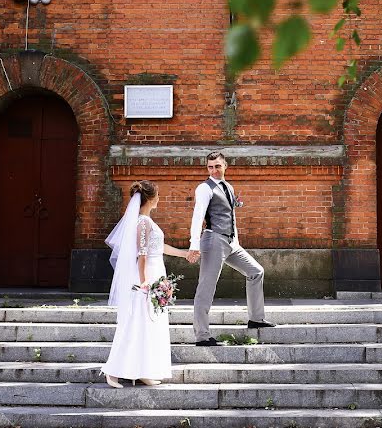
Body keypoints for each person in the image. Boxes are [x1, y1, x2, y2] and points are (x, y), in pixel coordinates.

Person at [101, 180, 190, 387]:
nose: (159, 198)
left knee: (148, 324)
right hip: (147, 277)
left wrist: (184, 254)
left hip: (155, 273)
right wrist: (144, 283)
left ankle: (142, 370)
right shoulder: (143, 222)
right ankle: (112, 371)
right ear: (149, 198)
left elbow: (159, 247)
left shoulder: (148, 222)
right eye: (157, 195)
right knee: (135, 323)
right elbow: (142, 254)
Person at [187, 151, 275, 346]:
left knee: (256, 271)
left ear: (225, 165)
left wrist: (235, 241)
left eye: (217, 166)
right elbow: (197, 216)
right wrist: (194, 245)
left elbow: (230, 215)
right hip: (213, 240)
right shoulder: (204, 188)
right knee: (206, 287)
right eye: (210, 167)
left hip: (231, 242)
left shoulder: (228, 186)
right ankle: (202, 335)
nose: (214, 170)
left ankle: (256, 319)